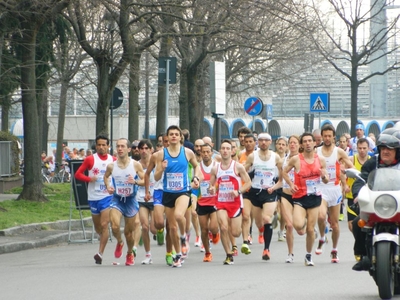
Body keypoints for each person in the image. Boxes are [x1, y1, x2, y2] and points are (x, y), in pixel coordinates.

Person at [151, 125, 202, 268]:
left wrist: (196, 178)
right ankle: (178, 255)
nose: (173, 136)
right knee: (172, 227)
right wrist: (162, 168)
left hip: (183, 191)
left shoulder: (187, 152)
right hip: (168, 192)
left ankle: (184, 237)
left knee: (180, 216)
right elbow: (156, 177)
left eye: (176, 134)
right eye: (171, 134)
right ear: (167, 137)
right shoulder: (161, 154)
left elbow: (197, 166)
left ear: (180, 137)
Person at [352, 130, 400, 271]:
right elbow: (361, 179)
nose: (386, 151)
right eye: (383, 148)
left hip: (397, 204)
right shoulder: (373, 162)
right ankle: (364, 256)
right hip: (378, 204)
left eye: (390, 149)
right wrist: (357, 196)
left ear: (397, 150)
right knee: (358, 223)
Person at [282, 132, 329, 266]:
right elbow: (284, 172)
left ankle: (308, 256)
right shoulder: (296, 159)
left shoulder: (321, 160)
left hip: (314, 198)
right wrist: (291, 184)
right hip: (300, 197)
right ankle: (310, 228)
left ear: (315, 143)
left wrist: (324, 176)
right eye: (305, 141)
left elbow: (325, 180)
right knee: (297, 225)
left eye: (310, 141)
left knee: (309, 229)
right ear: (302, 144)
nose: (308, 143)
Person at [208, 139, 252, 265]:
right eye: (223, 148)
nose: (225, 151)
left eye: (228, 148)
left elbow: (248, 182)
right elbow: (211, 186)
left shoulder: (237, 167)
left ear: (232, 151)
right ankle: (228, 254)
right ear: (220, 151)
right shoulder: (215, 169)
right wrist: (211, 189)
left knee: (235, 232)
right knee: (223, 227)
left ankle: (244, 237)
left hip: (235, 202)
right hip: (221, 202)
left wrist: (238, 191)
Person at [315, 124, 354, 263]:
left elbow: (351, 166)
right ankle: (322, 237)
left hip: (335, 189)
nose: (326, 138)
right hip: (321, 188)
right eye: (324, 136)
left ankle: (334, 250)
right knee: (320, 216)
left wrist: (345, 169)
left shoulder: (338, 152)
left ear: (333, 137)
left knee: (335, 224)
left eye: (329, 136)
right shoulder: (316, 151)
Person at [104, 138, 145, 266]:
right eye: (118, 146)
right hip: (117, 199)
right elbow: (106, 176)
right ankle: (120, 242)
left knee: (129, 233)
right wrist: (108, 187)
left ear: (128, 149)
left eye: (122, 146)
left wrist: (136, 182)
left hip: (131, 201)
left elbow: (145, 180)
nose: (120, 149)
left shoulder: (135, 165)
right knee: (115, 226)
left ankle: (129, 253)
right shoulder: (111, 165)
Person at [74, 135, 114, 265]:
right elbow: (77, 174)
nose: (101, 147)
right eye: (99, 145)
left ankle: (100, 254)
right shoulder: (90, 159)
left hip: (107, 197)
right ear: (95, 146)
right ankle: (102, 236)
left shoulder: (113, 160)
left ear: (108, 146)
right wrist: (89, 179)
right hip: (93, 197)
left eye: (104, 145)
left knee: (104, 224)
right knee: (98, 227)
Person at [244, 133, 282, 261]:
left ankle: (266, 249)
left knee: (266, 219)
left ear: (270, 142)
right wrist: (248, 177)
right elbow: (242, 172)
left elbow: (282, 178)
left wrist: (275, 187)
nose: (264, 143)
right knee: (259, 222)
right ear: (257, 142)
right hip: (255, 191)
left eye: (266, 140)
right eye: (261, 140)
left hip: (269, 192)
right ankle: (263, 231)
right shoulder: (252, 156)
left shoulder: (276, 157)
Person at [344, 138, 370, 261]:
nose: (362, 150)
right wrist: (344, 185)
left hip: (368, 197)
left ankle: (364, 245)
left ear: (369, 148)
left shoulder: (372, 162)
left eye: (364, 148)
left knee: (366, 223)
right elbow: (343, 171)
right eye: (360, 148)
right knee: (352, 225)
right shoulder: (351, 159)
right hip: (353, 198)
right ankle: (359, 243)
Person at [197, 143, 220, 262]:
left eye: (208, 152)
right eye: (203, 152)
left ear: (212, 153)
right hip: (202, 202)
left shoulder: (217, 166)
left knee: (213, 227)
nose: (206, 154)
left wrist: (215, 187)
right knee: (204, 229)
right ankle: (207, 252)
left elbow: (222, 181)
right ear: (200, 153)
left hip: (214, 202)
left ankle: (216, 233)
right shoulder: (198, 167)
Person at [279, 135, 300, 263]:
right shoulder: (283, 161)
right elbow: (281, 180)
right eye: (290, 143)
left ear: (299, 145)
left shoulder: (302, 160)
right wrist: (271, 188)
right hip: (285, 194)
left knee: (301, 229)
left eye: (295, 143)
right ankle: (290, 253)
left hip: (299, 195)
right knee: (290, 225)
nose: (292, 145)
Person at [135, 139, 156, 265]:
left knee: (154, 229)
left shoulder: (156, 163)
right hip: (141, 198)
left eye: (146, 148)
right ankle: (148, 254)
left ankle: (159, 231)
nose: (144, 151)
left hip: (155, 198)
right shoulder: (135, 164)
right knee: (144, 226)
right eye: (141, 148)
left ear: (151, 150)